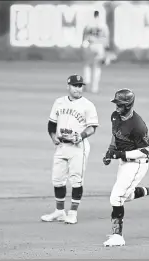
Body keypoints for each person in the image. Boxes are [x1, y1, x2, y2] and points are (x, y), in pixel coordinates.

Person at [102, 88, 149, 247]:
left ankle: (117, 236)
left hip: (137, 164)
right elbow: (115, 135)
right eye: (116, 103)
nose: (117, 107)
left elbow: (146, 151)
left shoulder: (138, 125)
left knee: (116, 197)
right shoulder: (115, 116)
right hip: (125, 162)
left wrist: (120, 155)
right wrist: (109, 152)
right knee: (127, 195)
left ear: (128, 105)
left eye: (120, 104)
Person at [41, 74, 99, 224]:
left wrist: (81, 136)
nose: (78, 88)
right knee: (57, 180)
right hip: (61, 146)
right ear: (68, 86)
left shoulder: (88, 105)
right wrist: (53, 137)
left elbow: (92, 128)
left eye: (80, 86)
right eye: (75, 85)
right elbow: (51, 124)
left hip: (78, 147)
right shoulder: (59, 102)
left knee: (76, 180)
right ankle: (59, 212)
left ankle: (72, 213)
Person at [81, 10, 110, 93]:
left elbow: (84, 37)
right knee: (97, 67)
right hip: (99, 46)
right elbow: (106, 39)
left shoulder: (89, 24)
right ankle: (94, 88)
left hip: (89, 45)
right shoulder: (103, 25)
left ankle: (86, 81)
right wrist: (106, 53)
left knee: (87, 65)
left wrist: (83, 47)